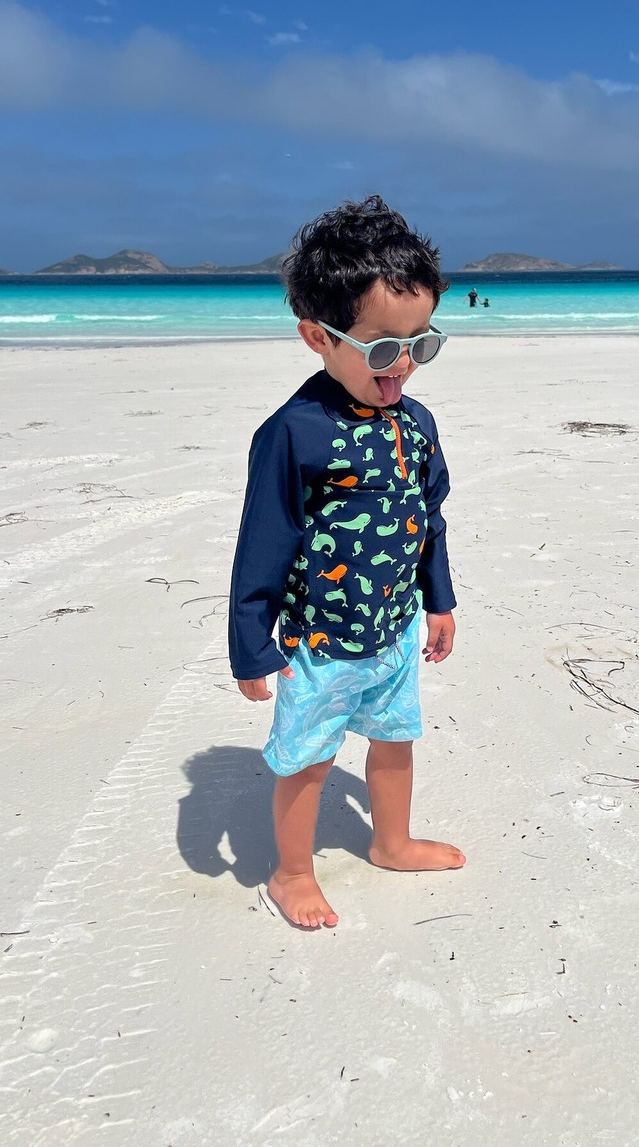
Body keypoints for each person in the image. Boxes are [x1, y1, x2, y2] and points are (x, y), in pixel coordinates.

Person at [228, 195, 465, 930]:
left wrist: (439, 599)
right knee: (309, 758)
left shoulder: (415, 426)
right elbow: (262, 544)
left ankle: (391, 842)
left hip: (393, 631)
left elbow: (428, 520)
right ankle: (291, 871)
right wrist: (251, 644)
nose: (403, 366)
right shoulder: (294, 433)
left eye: (421, 344)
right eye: (383, 349)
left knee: (395, 739)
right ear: (317, 337)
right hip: (319, 642)